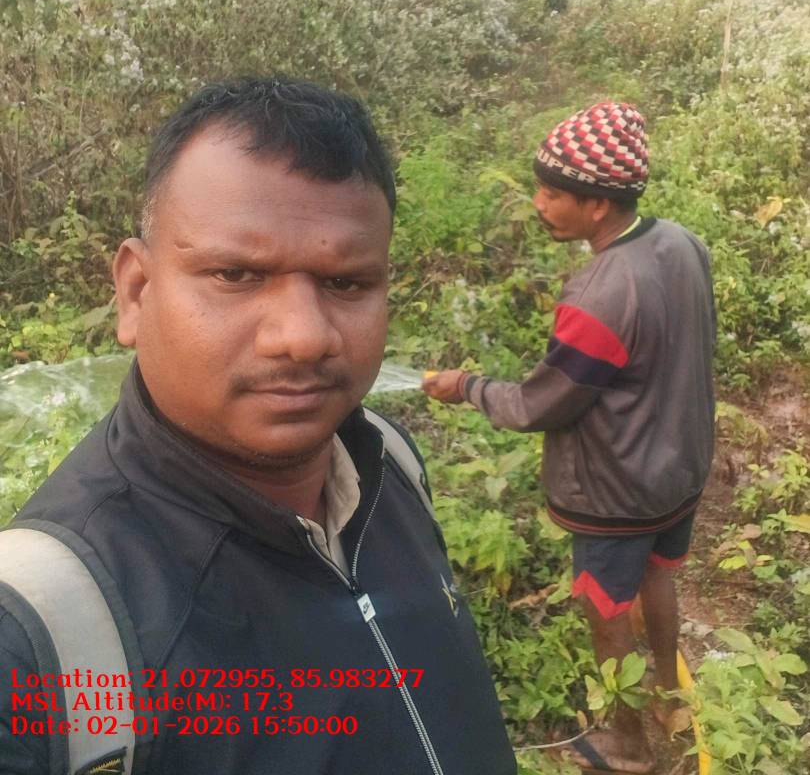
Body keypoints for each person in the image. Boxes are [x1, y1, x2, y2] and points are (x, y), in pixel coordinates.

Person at [0, 77, 517, 775]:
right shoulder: (39, 630)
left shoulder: (390, 464)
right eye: (236, 274)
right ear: (136, 292)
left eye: (346, 283)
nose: (303, 337)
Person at [423, 102, 715, 774]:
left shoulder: (599, 296)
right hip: (680, 469)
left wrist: (466, 386)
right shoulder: (682, 243)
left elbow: (539, 404)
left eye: (552, 193)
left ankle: (627, 743)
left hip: (617, 490)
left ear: (598, 205)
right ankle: (670, 697)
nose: (538, 204)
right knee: (658, 576)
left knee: (605, 607)